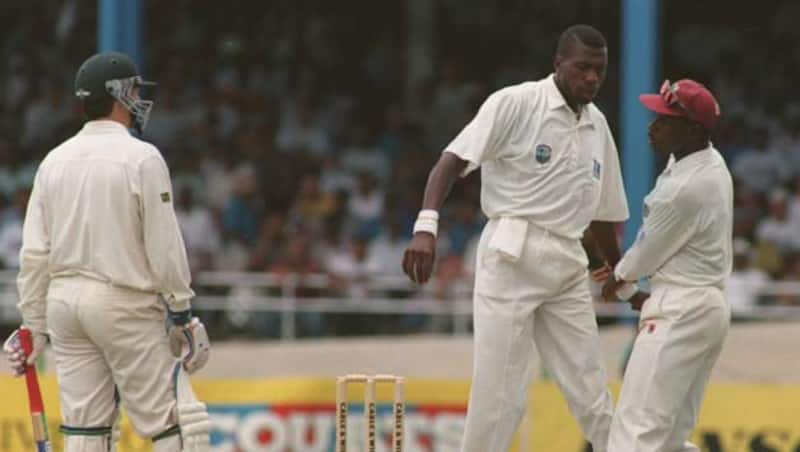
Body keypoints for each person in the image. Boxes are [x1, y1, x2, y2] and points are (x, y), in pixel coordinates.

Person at [403, 25, 629, 452]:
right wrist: (426, 226)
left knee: (592, 394)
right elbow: (451, 161)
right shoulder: (516, 102)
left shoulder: (598, 126)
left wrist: (618, 274)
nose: (592, 79)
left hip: (567, 261)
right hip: (513, 251)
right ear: (557, 64)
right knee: (501, 396)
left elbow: (603, 216)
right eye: (582, 68)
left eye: (599, 70)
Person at [2, 52, 211, 452]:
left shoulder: (53, 161)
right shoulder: (141, 157)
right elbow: (164, 244)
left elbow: (34, 255)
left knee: (86, 430)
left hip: (65, 306)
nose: (137, 98)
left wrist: (34, 326)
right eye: (132, 90)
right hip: (122, 303)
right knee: (176, 423)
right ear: (117, 95)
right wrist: (181, 310)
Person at [601, 79, 731, 451]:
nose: (652, 125)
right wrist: (624, 279)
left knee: (635, 433)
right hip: (702, 305)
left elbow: (644, 254)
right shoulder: (704, 158)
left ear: (691, 129)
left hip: (680, 309)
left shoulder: (685, 189)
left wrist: (619, 281)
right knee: (670, 439)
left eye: (664, 119)